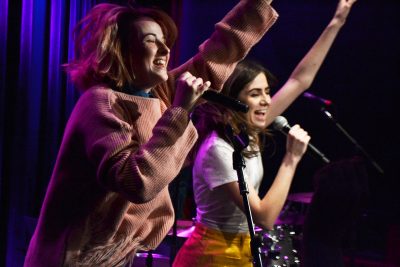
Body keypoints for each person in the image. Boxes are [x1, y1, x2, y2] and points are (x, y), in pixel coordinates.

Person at [23, 1, 278, 267]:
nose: (166, 49)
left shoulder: (156, 94)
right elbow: (139, 183)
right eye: (150, 40)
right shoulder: (100, 103)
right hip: (74, 258)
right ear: (121, 51)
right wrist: (180, 110)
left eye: (165, 41)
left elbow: (219, 52)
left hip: (115, 256)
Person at [172, 0, 357, 266]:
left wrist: (337, 21)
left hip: (240, 251)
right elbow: (263, 217)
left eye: (267, 92)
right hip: (211, 255)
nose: (267, 101)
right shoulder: (218, 150)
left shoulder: (246, 129)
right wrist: (291, 159)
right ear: (233, 103)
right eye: (255, 94)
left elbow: (299, 80)